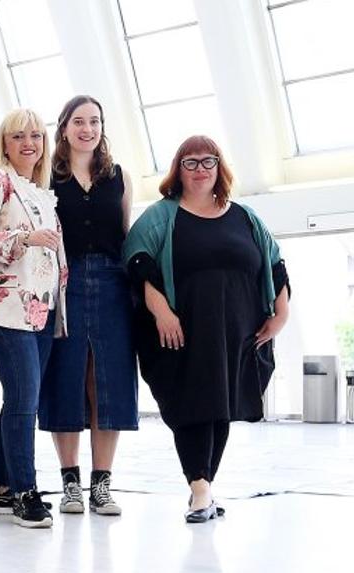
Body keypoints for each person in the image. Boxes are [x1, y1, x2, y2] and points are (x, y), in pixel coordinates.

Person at [123, 136, 290, 522]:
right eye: (191, 162)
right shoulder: (163, 215)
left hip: (237, 332)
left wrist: (280, 316)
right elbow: (138, 262)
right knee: (192, 408)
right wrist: (161, 311)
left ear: (220, 167)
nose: (200, 170)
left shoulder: (245, 217)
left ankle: (203, 489)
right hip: (183, 331)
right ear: (178, 170)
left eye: (208, 162)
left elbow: (275, 265)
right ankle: (200, 489)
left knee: (221, 408)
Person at [0, 109, 68, 528]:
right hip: (1, 305)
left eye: (37, 136)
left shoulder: (41, 192)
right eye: (19, 136)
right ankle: (26, 492)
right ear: (4, 143)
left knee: (21, 398)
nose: (29, 143)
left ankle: (4, 488)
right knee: (25, 398)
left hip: (40, 310)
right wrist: (25, 238)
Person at [39, 95, 136, 517]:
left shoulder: (119, 176)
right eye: (79, 121)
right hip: (65, 279)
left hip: (113, 281)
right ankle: (70, 484)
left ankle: (102, 484)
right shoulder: (48, 177)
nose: (87, 128)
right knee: (66, 375)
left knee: (108, 381)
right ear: (63, 128)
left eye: (94, 121)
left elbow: (128, 231)